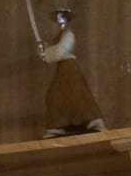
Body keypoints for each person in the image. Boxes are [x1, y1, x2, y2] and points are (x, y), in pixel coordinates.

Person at [42, 8, 105, 137]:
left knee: (77, 94)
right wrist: (44, 49)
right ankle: (58, 124)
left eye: (62, 17)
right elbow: (54, 50)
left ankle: (93, 120)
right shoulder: (59, 36)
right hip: (62, 68)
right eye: (57, 18)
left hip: (69, 68)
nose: (59, 21)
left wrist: (46, 54)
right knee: (54, 95)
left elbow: (61, 50)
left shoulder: (69, 35)